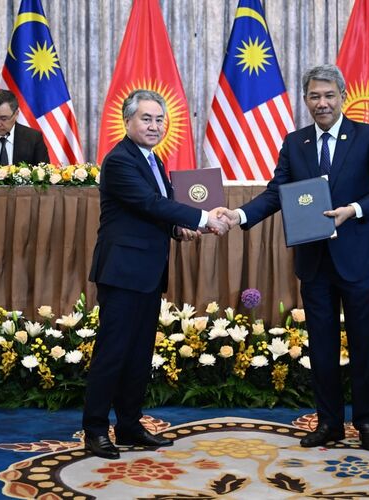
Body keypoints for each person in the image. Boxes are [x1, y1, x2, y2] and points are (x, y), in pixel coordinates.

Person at [219, 64, 369, 451]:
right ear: (305, 100)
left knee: (363, 343)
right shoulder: (295, 142)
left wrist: (354, 209)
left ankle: (367, 422)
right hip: (314, 261)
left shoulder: (368, 136)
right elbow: (277, 192)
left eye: (329, 95)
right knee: (321, 346)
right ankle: (329, 423)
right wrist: (239, 215)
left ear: (342, 97)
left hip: (357, 258)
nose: (322, 103)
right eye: (314, 96)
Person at [82, 89, 228, 460]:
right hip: (122, 273)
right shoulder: (120, 160)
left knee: (138, 354)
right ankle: (95, 430)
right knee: (113, 353)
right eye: (146, 118)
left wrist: (178, 229)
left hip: (147, 272)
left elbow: (153, 214)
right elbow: (149, 203)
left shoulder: (152, 159)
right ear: (127, 121)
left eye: (159, 119)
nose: (154, 125)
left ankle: (129, 425)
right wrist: (202, 218)